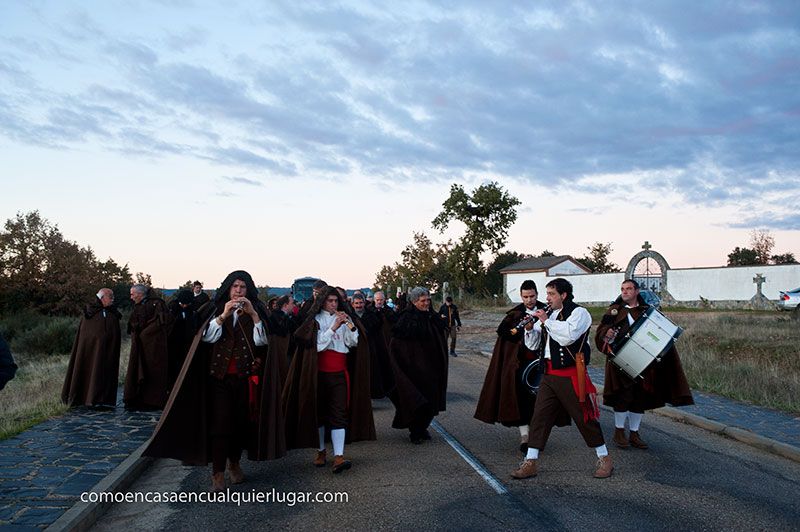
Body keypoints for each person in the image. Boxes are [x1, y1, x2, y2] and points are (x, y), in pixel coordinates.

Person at [144, 270, 286, 492]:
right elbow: (206, 337)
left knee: (240, 423)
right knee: (221, 425)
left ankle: (235, 463)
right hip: (218, 378)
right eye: (235, 287)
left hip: (244, 378)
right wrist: (223, 316)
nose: (239, 291)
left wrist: (254, 316)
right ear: (228, 288)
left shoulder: (256, 312)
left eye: (243, 287)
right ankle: (217, 473)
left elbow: (263, 342)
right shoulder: (214, 309)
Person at [511, 278, 613, 480]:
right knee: (539, 416)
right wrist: (530, 329)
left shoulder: (579, 313)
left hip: (570, 373)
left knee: (584, 417)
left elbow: (568, 336)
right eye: (547, 294)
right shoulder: (551, 314)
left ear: (563, 295)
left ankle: (605, 458)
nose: (547, 298)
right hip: (548, 374)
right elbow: (533, 346)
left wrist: (545, 321)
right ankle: (531, 461)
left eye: (551, 294)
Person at [282, 286, 375, 473]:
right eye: (330, 301)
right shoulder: (314, 321)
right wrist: (333, 328)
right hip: (319, 373)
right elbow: (317, 346)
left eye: (335, 301)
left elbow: (353, 342)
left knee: (339, 413)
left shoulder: (344, 318)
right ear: (322, 302)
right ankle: (321, 451)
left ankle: (339, 456)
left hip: (339, 372)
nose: (333, 304)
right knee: (320, 414)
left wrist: (348, 325)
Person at [595, 279, 694, 449]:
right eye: (622, 289)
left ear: (637, 291)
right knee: (622, 397)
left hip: (644, 363)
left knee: (638, 398)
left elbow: (660, 334)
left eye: (628, 289)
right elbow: (601, 332)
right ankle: (619, 432)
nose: (624, 292)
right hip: (620, 362)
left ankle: (634, 433)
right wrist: (606, 334)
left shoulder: (647, 311)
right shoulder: (613, 311)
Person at [474, 280, 546, 453]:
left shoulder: (546, 311)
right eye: (525, 297)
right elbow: (505, 336)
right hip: (520, 365)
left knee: (541, 401)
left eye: (532, 296)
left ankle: (537, 435)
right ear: (521, 296)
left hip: (542, 363)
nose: (529, 300)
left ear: (537, 294)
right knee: (520, 399)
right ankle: (525, 436)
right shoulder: (514, 315)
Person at [389, 287, 448, 444]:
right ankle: (415, 431)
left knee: (431, 399)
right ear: (414, 302)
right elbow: (398, 343)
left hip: (432, 366)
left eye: (428, 299)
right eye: (423, 301)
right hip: (414, 368)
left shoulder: (431, 316)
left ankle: (422, 428)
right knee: (417, 400)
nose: (426, 303)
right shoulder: (407, 318)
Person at [61, 288, 122, 408]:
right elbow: (87, 335)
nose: (113, 300)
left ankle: (104, 399)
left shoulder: (112, 313)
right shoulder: (90, 313)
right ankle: (87, 398)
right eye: (111, 297)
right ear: (102, 297)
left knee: (105, 373)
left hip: (108, 352)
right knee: (90, 369)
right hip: (90, 352)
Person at [123, 284, 174, 410]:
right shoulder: (139, 305)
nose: (131, 297)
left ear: (140, 294)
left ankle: (152, 401)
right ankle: (137, 399)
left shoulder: (158, 304)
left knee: (153, 372)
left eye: (132, 294)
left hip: (154, 348)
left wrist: (145, 335)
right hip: (140, 346)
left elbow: (161, 323)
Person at [352, 293, 394, 398]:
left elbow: (376, 327)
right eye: (356, 303)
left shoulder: (371, 314)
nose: (359, 305)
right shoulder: (350, 316)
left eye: (361, 303)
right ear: (352, 304)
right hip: (354, 349)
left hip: (370, 348)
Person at [166, 288, 196, 391]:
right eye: (182, 303)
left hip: (186, 344)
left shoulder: (192, 309)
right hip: (173, 343)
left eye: (186, 304)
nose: (184, 306)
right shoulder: (172, 307)